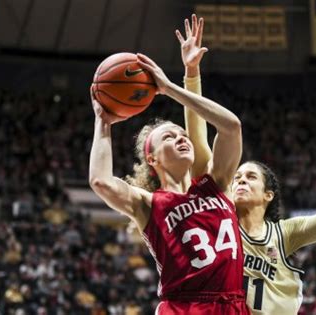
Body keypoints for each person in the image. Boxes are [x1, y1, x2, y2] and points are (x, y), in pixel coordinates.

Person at [178, 14, 316, 314]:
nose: (239, 180)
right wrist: (192, 72)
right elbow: (199, 143)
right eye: (238, 176)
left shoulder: (285, 234)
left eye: (250, 177)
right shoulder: (219, 218)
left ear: (269, 195)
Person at [89, 53, 250, 314]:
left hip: (232, 305)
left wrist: (169, 88)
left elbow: (231, 126)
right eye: (169, 137)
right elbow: (100, 181)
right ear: (152, 158)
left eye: (183, 134)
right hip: (182, 307)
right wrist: (103, 123)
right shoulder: (149, 204)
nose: (180, 138)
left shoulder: (217, 183)